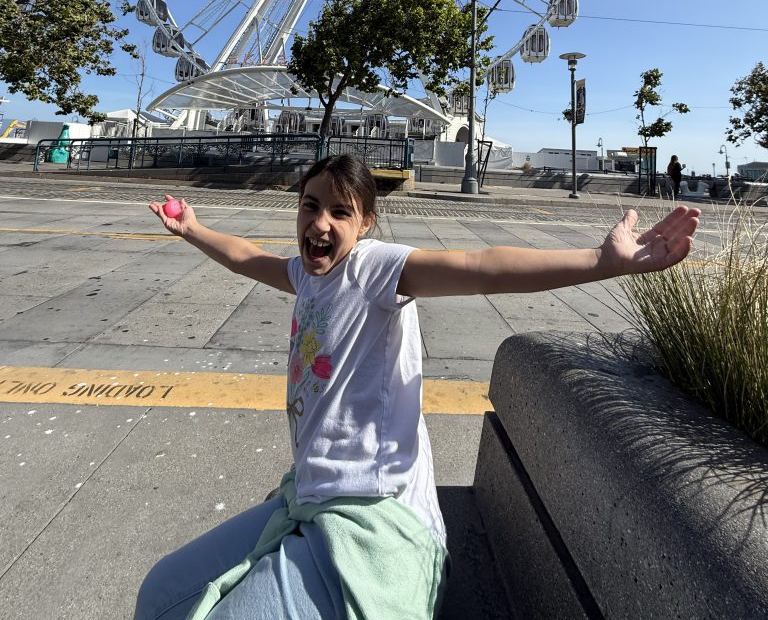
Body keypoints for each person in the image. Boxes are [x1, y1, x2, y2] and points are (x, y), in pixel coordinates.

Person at [135, 154, 700, 620]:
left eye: (340, 211)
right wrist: (192, 229)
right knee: (160, 595)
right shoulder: (304, 275)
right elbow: (246, 257)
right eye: (311, 206)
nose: (320, 224)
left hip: (374, 514)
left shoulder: (373, 269)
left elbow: (482, 265)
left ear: (366, 226)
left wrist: (600, 262)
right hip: (309, 494)